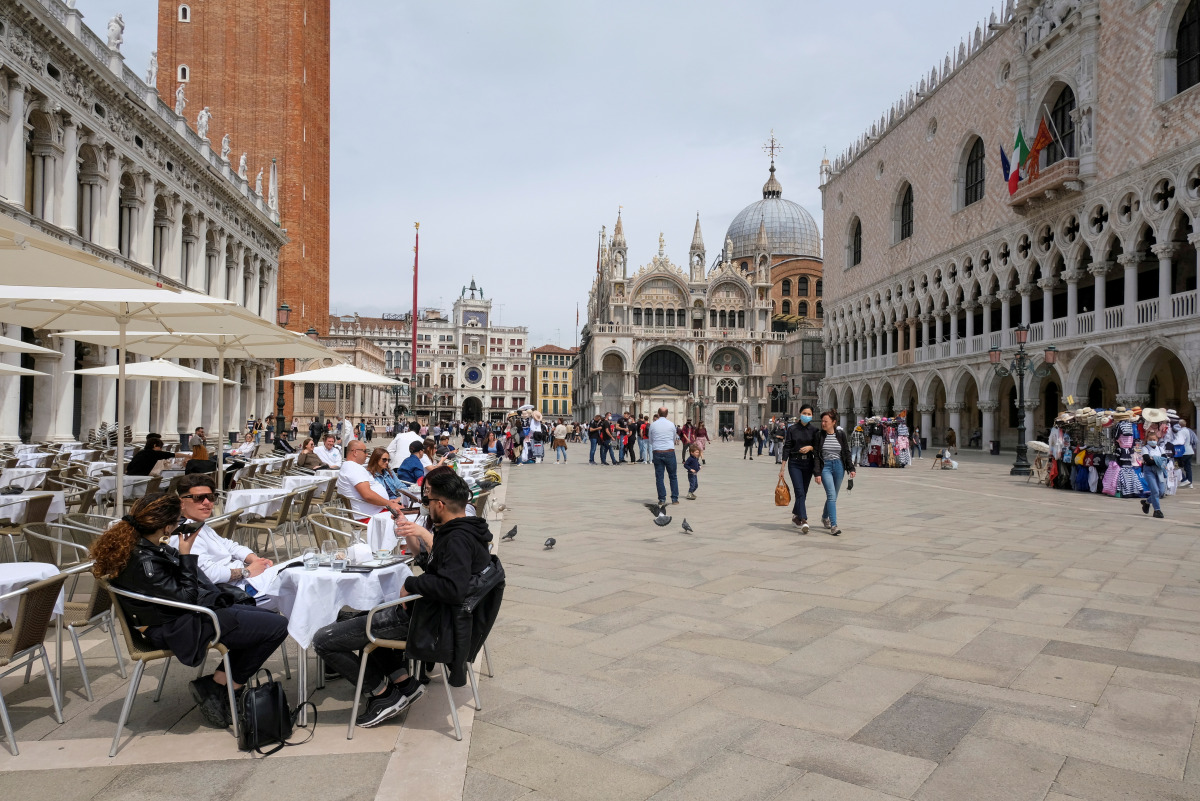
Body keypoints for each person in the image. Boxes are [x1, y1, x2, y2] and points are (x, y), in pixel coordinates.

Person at [90, 493, 289, 729]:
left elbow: (189, 589)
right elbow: (187, 596)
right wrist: (186, 554)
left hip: (183, 616)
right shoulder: (147, 561)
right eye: (177, 522)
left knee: (267, 619)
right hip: (178, 626)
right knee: (277, 627)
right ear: (166, 526)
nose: (179, 526)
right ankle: (221, 687)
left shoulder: (144, 548)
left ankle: (220, 684)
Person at [314, 470, 493, 727]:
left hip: (431, 622)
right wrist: (418, 535)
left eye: (427, 500)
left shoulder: (456, 538)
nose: (424, 503)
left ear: (440, 505)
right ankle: (404, 682)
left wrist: (411, 584)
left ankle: (382, 694)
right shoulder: (470, 529)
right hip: (440, 616)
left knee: (323, 640)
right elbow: (437, 565)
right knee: (358, 617)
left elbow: (453, 587)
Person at [170, 474, 278, 610]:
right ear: (182, 503)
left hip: (246, 579)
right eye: (198, 498)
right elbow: (208, 574)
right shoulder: (183, 534)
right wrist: (247, 571)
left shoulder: (199, 524)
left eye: (210, 497)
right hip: (236, 591)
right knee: (297, 584)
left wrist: (255, 560)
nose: (206, 502)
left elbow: (228, 545)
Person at [337, 440, 405, 522]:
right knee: (409, 520)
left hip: (375, 510)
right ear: (355, 452)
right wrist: (390, 504)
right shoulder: (353, 468)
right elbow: (367, 495)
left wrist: (388, 502)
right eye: (364, 451)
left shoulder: (351, 467)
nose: (366, 454)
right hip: (370, 515)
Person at [813, 410, 855, 536]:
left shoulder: (841, 435)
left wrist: (851, 468)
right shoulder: (819, 435)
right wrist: (817, 473)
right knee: (831, 495)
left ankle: (825, 517)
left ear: (833, 422)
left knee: (833, 496)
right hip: (825, 467)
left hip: (839, 467)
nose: (823, 423)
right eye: (822, 421)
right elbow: (816, 455)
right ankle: (834, 525)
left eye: (826, 421)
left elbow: (846, 452)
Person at [779, 405, 819, 533]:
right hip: (794, 463)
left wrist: (810, 448)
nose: (806, 415)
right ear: (800, 413)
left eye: (809, 413)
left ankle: (796, 515)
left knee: (803, 492)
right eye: (804, 413)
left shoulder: (814, 430)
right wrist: (782, 468)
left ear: (812, 415)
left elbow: (818, 447)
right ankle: (803, 519)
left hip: (808, 463)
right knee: (799, 491)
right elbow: (787, 447)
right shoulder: (792, 429)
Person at [649, 406, 680, 506]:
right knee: (673, 476)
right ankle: (674, 499)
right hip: (669, 451)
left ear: (658, 414)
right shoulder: (671, 425)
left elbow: (650, 440)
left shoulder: (653, 425)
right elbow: (674, 438)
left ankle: (662, 499)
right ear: (667, 414)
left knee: (659, 477)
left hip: (657, 452)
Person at [1140, 432, 1169, 519]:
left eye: (1154, 440)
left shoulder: (1160, 449)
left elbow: (1165, 459)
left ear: (1157, 440)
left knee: (1161, 492)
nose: (1152, 441)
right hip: (1149, 471)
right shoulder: (1145, 449)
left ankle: (1147, 502)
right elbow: (1148, 461)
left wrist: (1154, 459)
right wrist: (1158, 459)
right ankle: (1157, 510)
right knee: (1155, 490)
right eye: (1150, 440)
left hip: (1159, 470)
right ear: (1147, 440)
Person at [1175, 419, 1196, 488]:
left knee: (1176, 465)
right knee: (1188, 468)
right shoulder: (1188, 430)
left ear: (1179, 425)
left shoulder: (1181, 432)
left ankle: (1184, 480)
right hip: (1190, 451)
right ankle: (1190, 483)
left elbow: (1179, 441)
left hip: (1183, 452)